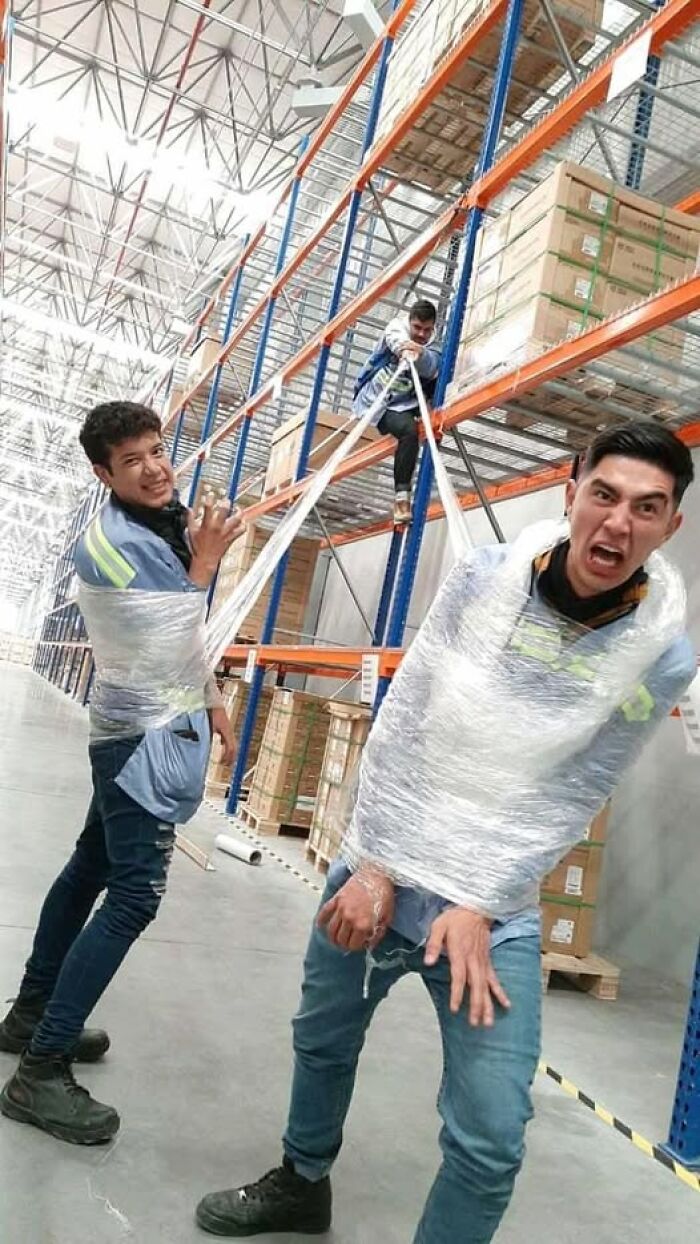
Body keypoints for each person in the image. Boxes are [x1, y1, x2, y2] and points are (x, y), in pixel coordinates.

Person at [196, 422, 696, 1242]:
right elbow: (406, 721)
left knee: (491, 1138)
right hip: (380, 867)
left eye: (648, 508)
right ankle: (302, 1177)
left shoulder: (660, 661)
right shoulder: (483, 581)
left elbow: (579, 786)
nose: (618, 523)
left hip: (490, 911)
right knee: (323, 1040)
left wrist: (478, 897)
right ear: (571, 494)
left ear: (671, 526)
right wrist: (378, 866)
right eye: (603, 495)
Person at [0, 401, 243, 1146]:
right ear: (103, 474)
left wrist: (214, 703)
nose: (156, 467)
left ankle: (31, 1014)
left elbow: (178, 642)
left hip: (143, 724)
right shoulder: (108, 545)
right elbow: (167, 635)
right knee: (133, 894)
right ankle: (39, 1073)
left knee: (87, 870)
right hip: (135, 742)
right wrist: (205, 566)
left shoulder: (155, 524)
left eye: (159, 449)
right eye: (132, 459)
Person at [352, 298, 440, 526]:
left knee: (414, 425)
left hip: (406, 402)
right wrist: (404, 348)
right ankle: (402, 496)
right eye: (417, 328)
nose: (421, 334)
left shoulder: (434, 345)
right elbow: (394, 338)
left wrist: (419, 353)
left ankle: (404, 497)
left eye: (427, 330)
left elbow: (432, 365)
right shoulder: (396, 328)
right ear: (409, 321)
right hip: (378, 403)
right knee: (409, 431)